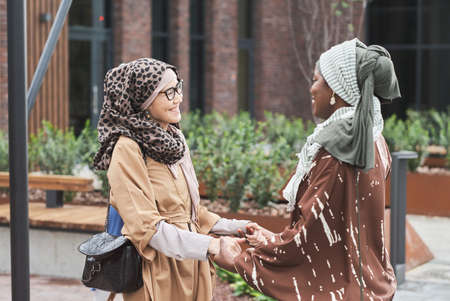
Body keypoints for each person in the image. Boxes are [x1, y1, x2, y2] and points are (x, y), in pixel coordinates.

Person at [221, 38, 401, 301]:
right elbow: (337, 228)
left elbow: (306, 238)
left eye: (317, 80)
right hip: (371, 286)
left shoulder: (339, 148)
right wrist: (269, 239)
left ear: (337, 91)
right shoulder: (375, 138)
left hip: (341, 292)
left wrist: (239, 260)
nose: (312, 88)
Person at [93, 58, 252, 301]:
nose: (178, 98)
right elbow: (146, 228)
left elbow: (190, 212)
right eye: (168, 92)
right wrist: (210, 246)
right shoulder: (127, 149)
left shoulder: (175, 140)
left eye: (179, 87)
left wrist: (237, 227)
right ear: (143, 100)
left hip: (192, 266)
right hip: (156, 273)